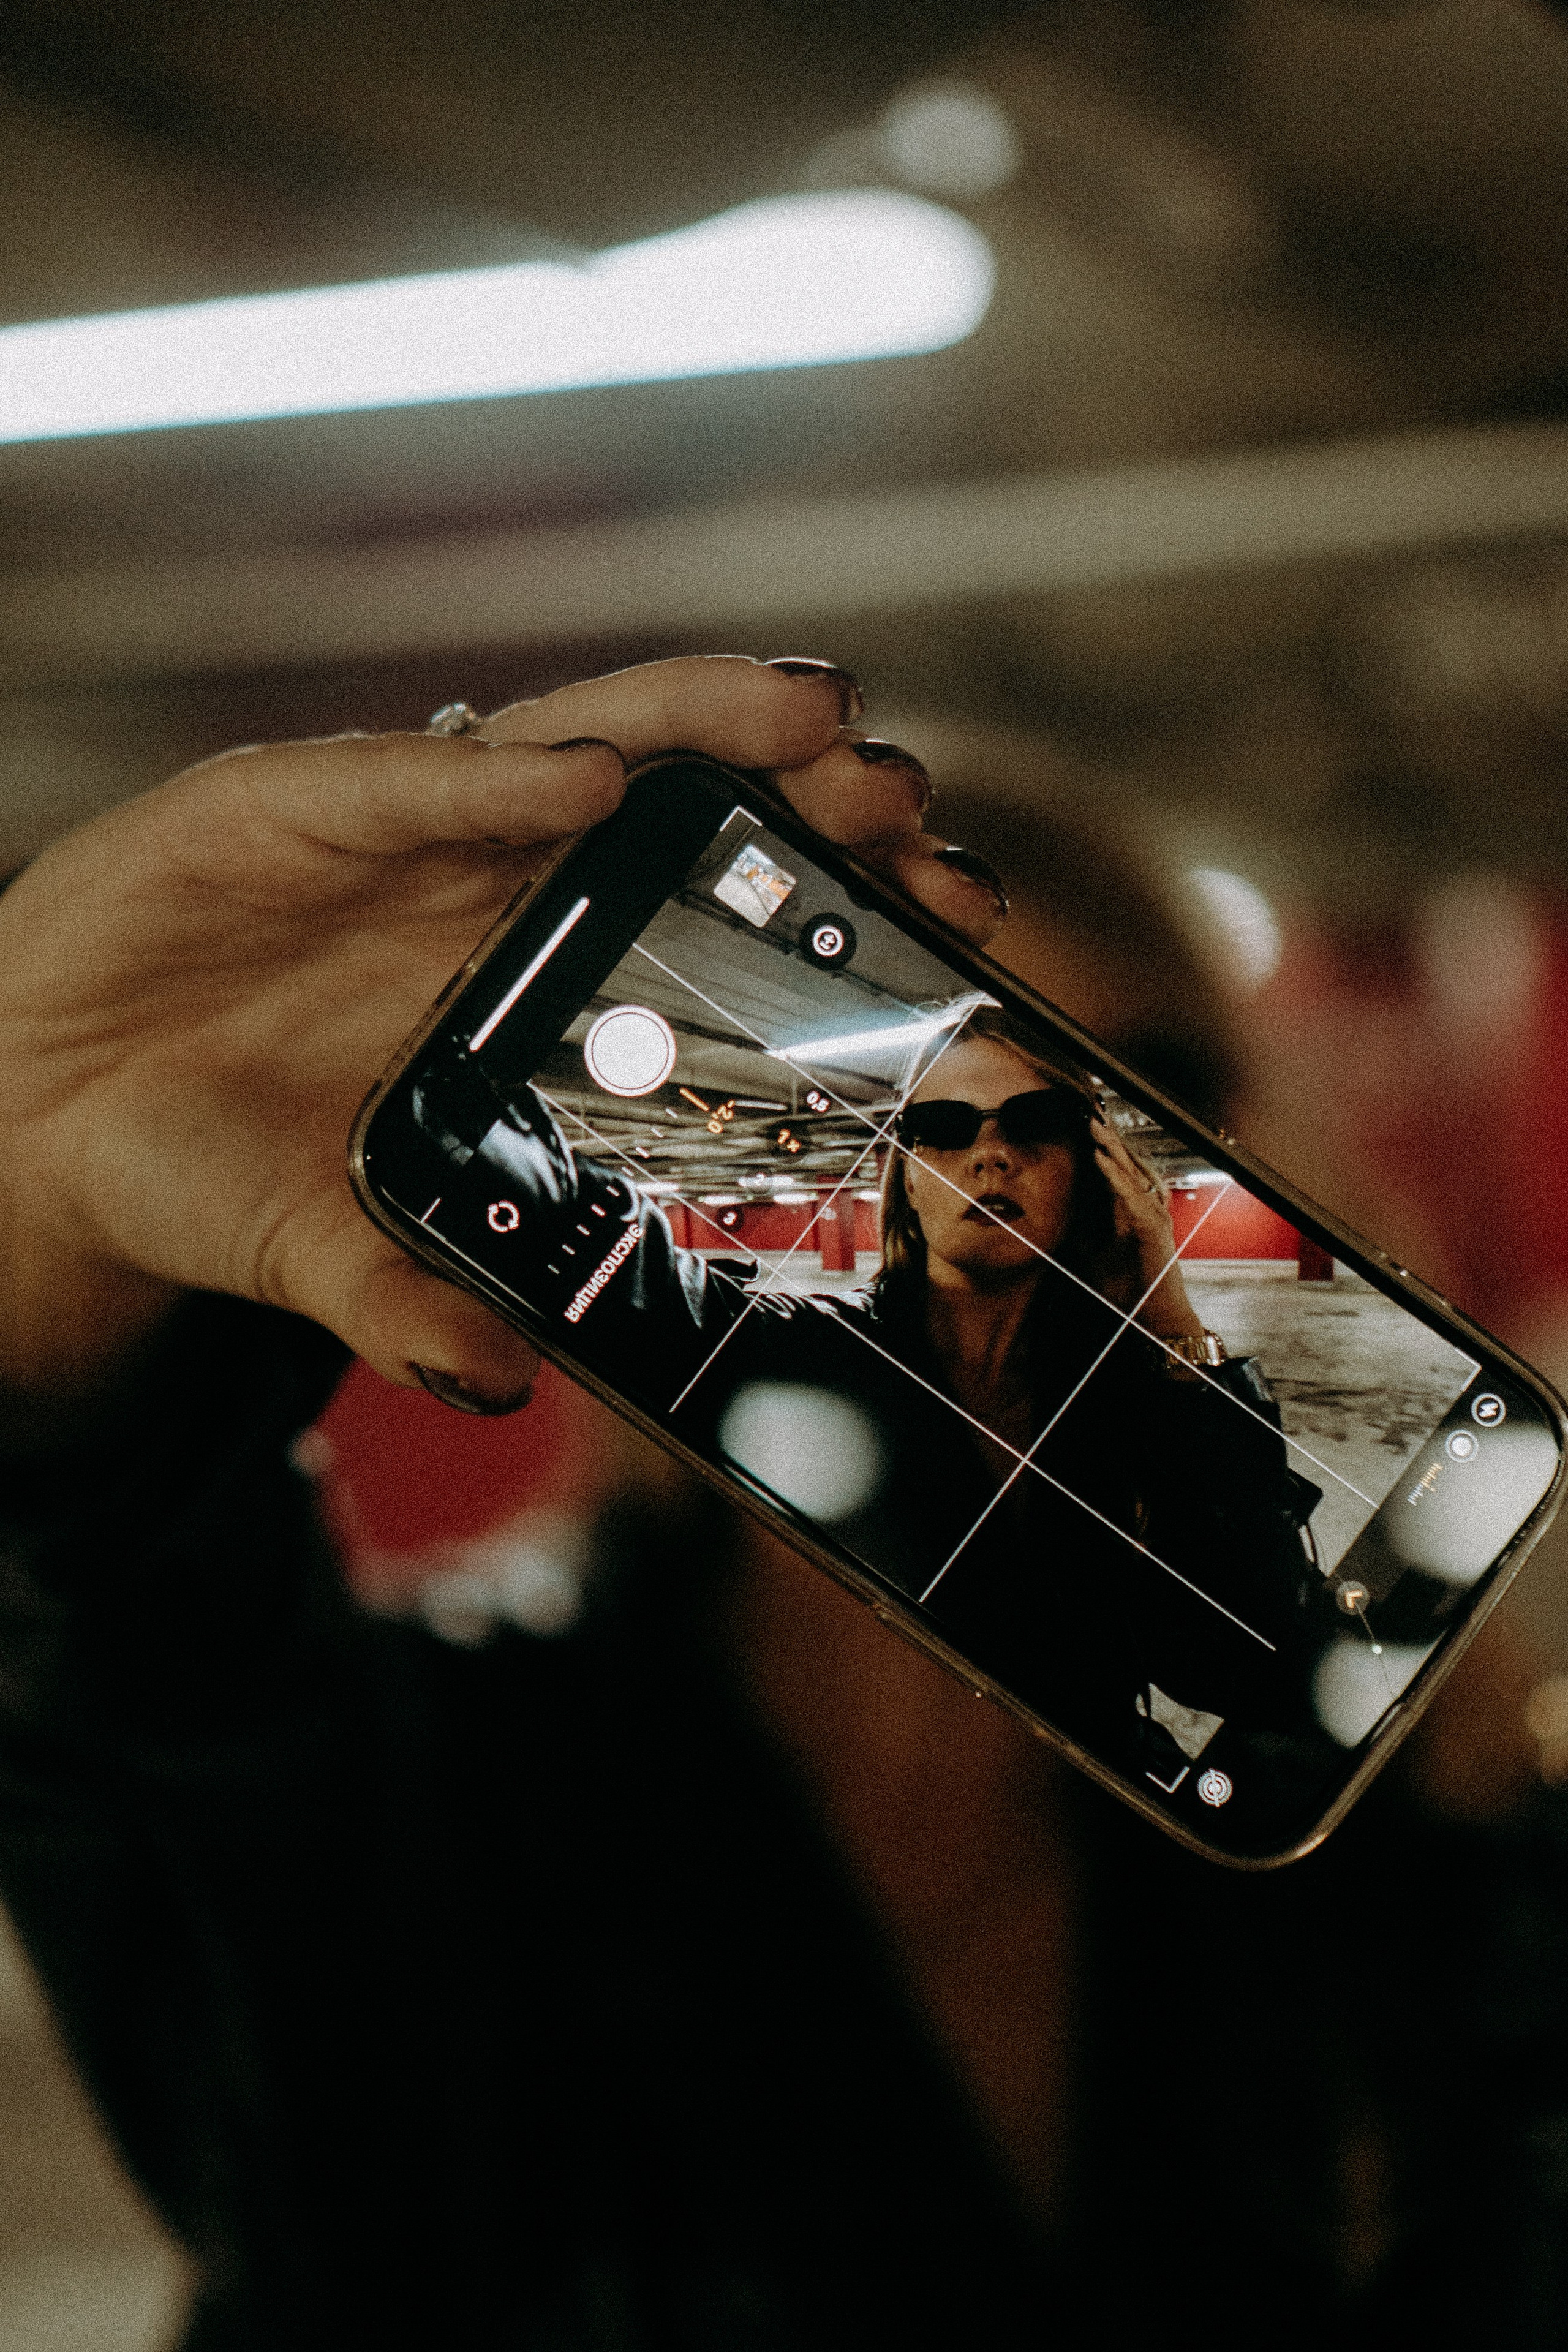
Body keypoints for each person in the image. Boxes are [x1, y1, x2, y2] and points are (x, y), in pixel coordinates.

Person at [1, 655, 1566, 2350]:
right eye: (885, 1126)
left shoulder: (1414, 1875)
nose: (1015, 1209)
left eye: (1106, 1097)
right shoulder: (451, 1803)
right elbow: (146, 1654)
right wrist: (34, 1267)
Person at [417, 1009, 1327, 1791]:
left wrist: (1174, 1331)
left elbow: (1251, 1668)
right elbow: (615, 1267)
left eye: (1036, 1123)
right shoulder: (806, 1352)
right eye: (946, 1127)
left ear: (1093, 1169)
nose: (992, 1154)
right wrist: (444, 1101)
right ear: (908, 1176)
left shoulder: (1141, 1406)